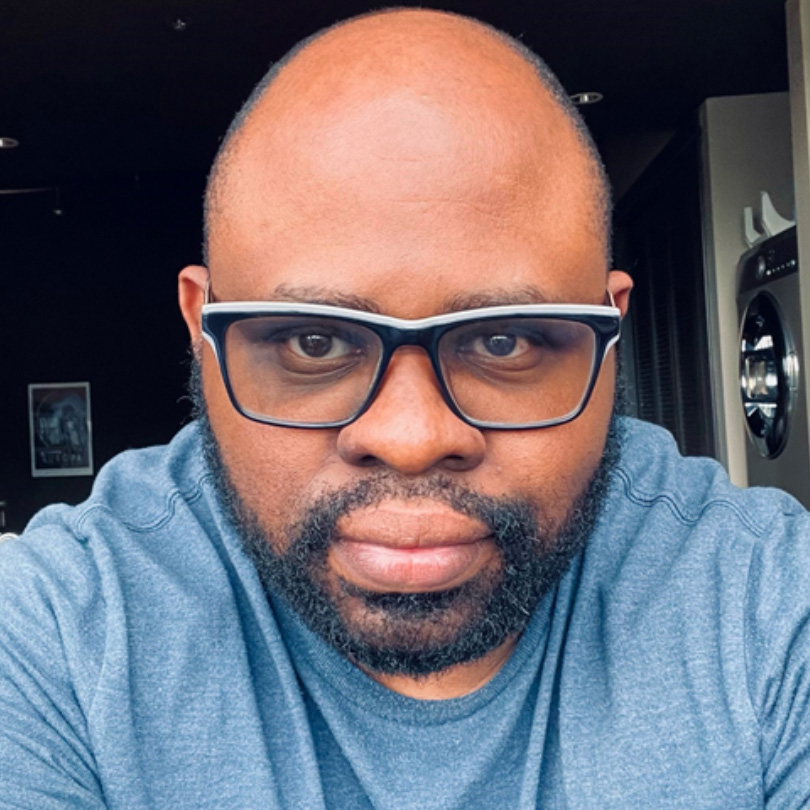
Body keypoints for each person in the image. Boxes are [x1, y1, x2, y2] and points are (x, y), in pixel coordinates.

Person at [1, 8, 809, 809]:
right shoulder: (53, 638)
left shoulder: (769, 606)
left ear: (610, 336)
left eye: (505, 342)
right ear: (201, 335)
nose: (412, 436)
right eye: (313, 342)